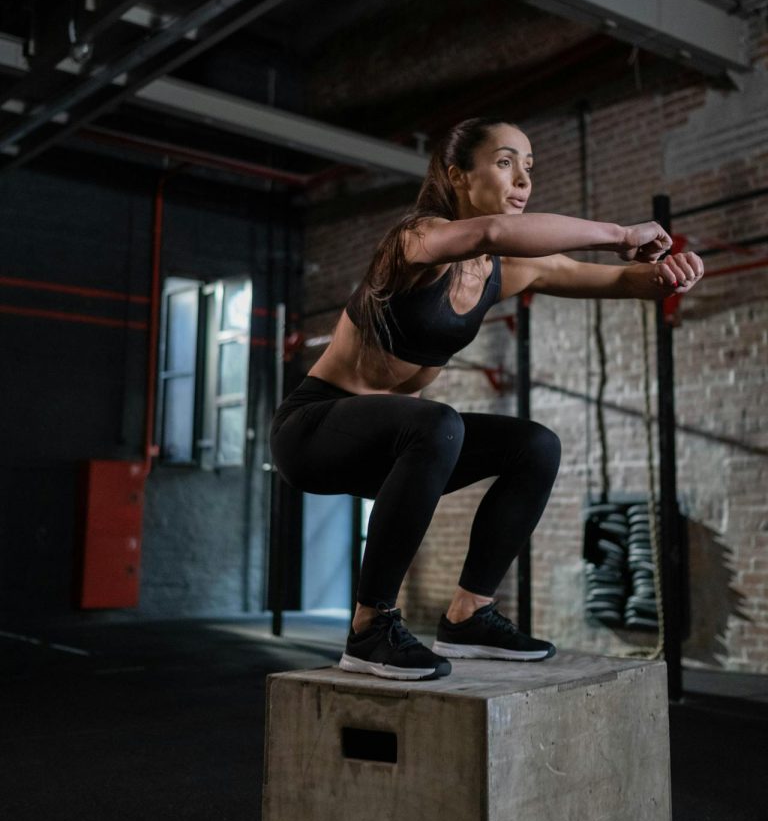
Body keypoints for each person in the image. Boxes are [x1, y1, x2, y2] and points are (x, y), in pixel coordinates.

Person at [270, 117, 704, 681]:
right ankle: (368, 628)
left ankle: (469, 614)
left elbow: (620, 282)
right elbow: (489, 232)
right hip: (313, 432)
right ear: (457, 175)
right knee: (438, 424)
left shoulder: (506, 270)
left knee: (534, 445)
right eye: (504, 163)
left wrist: (669, 275)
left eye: (528, 167)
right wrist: (620, 234)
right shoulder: (415, 241)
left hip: (392, 451)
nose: (522, 180)